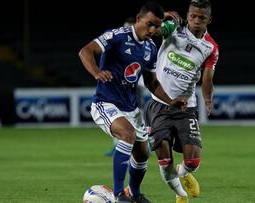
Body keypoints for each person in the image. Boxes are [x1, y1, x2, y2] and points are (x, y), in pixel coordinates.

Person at [78, 1, 187, 203]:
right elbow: (85, 51)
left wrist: (170, 101)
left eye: (157, 26)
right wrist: (96, 72)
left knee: (143, 153)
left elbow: (152, 83)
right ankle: (119, 194)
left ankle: (134, 194)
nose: (153, 30)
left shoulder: (150, 48)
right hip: (105, 103)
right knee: (126, 135)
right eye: (149, 24)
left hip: (131, 108)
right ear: (138, 19)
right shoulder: (117, 36)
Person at [144, 0, 219, 202]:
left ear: (209, 20)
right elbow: (153, 31)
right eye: (193, 16)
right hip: (159, 104)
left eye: (201, 18)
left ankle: (184, 172)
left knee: (193, 160)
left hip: (186, 106)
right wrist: (161, 19)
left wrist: (208, 99)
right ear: (188, 14)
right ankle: (181, 195)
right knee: (164, 158)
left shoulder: (211, 47)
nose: (195, 21)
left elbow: (208, 77)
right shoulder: (174, 27)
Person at [104, 16, 137, 157]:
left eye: (128, 27)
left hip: (135, 90)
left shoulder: (141, 46)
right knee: (118, 120)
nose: (125, 30)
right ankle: (117, 146)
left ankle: (145, 145)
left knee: (135, 120)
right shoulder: (120, 43)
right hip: (118, 90)